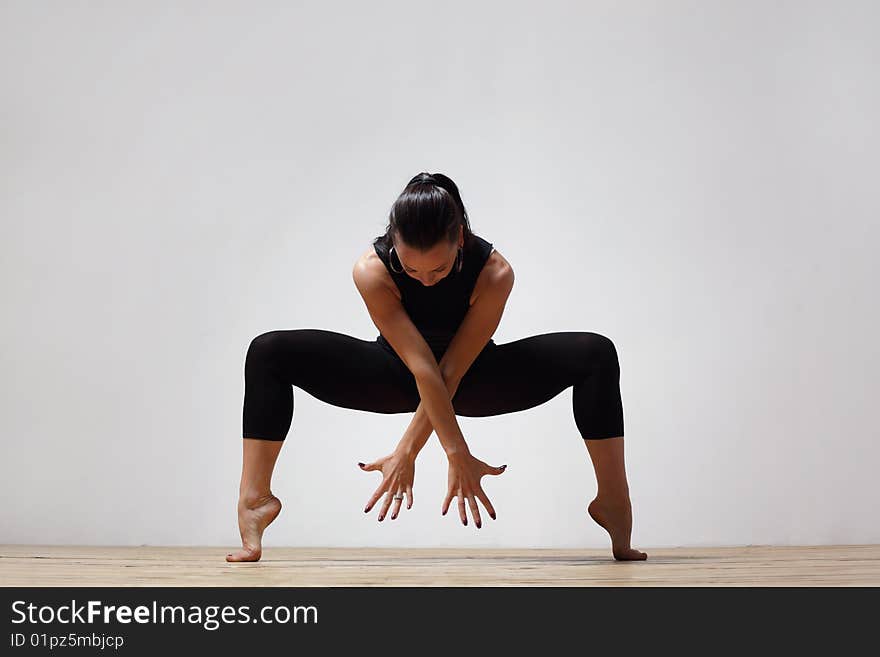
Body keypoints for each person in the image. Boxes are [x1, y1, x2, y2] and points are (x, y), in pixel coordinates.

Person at [227, 172, 647, 563]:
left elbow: (450, 371)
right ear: (393, 241)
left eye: (440, 269)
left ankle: (612, 499)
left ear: (460, 239)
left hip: (475, 378)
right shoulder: (370, 271)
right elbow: (422, 367)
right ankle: (255, 499)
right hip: (394, 375)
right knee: (268, 352)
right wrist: (454, 450)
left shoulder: (494, 272)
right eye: (411, 270)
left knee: (596, 352)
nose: (426, 280)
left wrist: (411, 451)